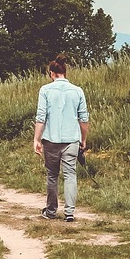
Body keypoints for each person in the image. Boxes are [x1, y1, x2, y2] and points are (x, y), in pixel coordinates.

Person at [33, 54, 89, 222]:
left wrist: (36, 138)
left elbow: (41, 117)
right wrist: (83, 139)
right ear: (65, 72)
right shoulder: (77, 91)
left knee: (52, 175)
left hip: (51, 139)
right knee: (70, 174)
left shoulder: (45, 90)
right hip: (71, 139)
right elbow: (84, 119)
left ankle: (51, 211)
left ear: (52, 73)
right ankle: (69, 213)